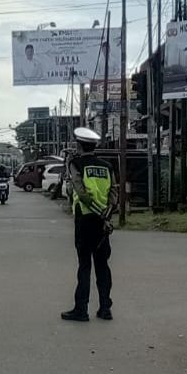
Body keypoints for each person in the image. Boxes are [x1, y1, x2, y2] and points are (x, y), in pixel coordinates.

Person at [61, 127, 118, 322]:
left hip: (85, 219)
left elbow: (80, 192)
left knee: (84, 265)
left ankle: (81, 309)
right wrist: (106, 215)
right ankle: (105, 308)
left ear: (79, 146)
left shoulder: (76, 163)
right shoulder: (107, 166)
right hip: (103, 223)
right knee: (102, 266)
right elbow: (113, 194)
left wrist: (97, 211)